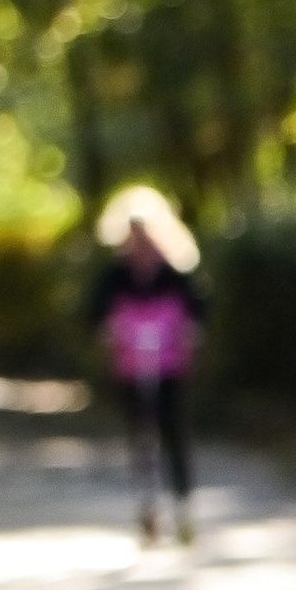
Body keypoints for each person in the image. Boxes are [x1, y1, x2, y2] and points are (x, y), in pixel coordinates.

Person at [90, 185, 205, 547]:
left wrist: (190, 332)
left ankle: (183, 508)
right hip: (130, 365)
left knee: (173, 433)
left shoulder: (173, 271)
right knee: (140, 436)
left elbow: (197, 309)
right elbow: (97, 312)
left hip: (168, 365)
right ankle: (148, 507)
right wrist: (107, 331)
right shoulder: (115, 274)